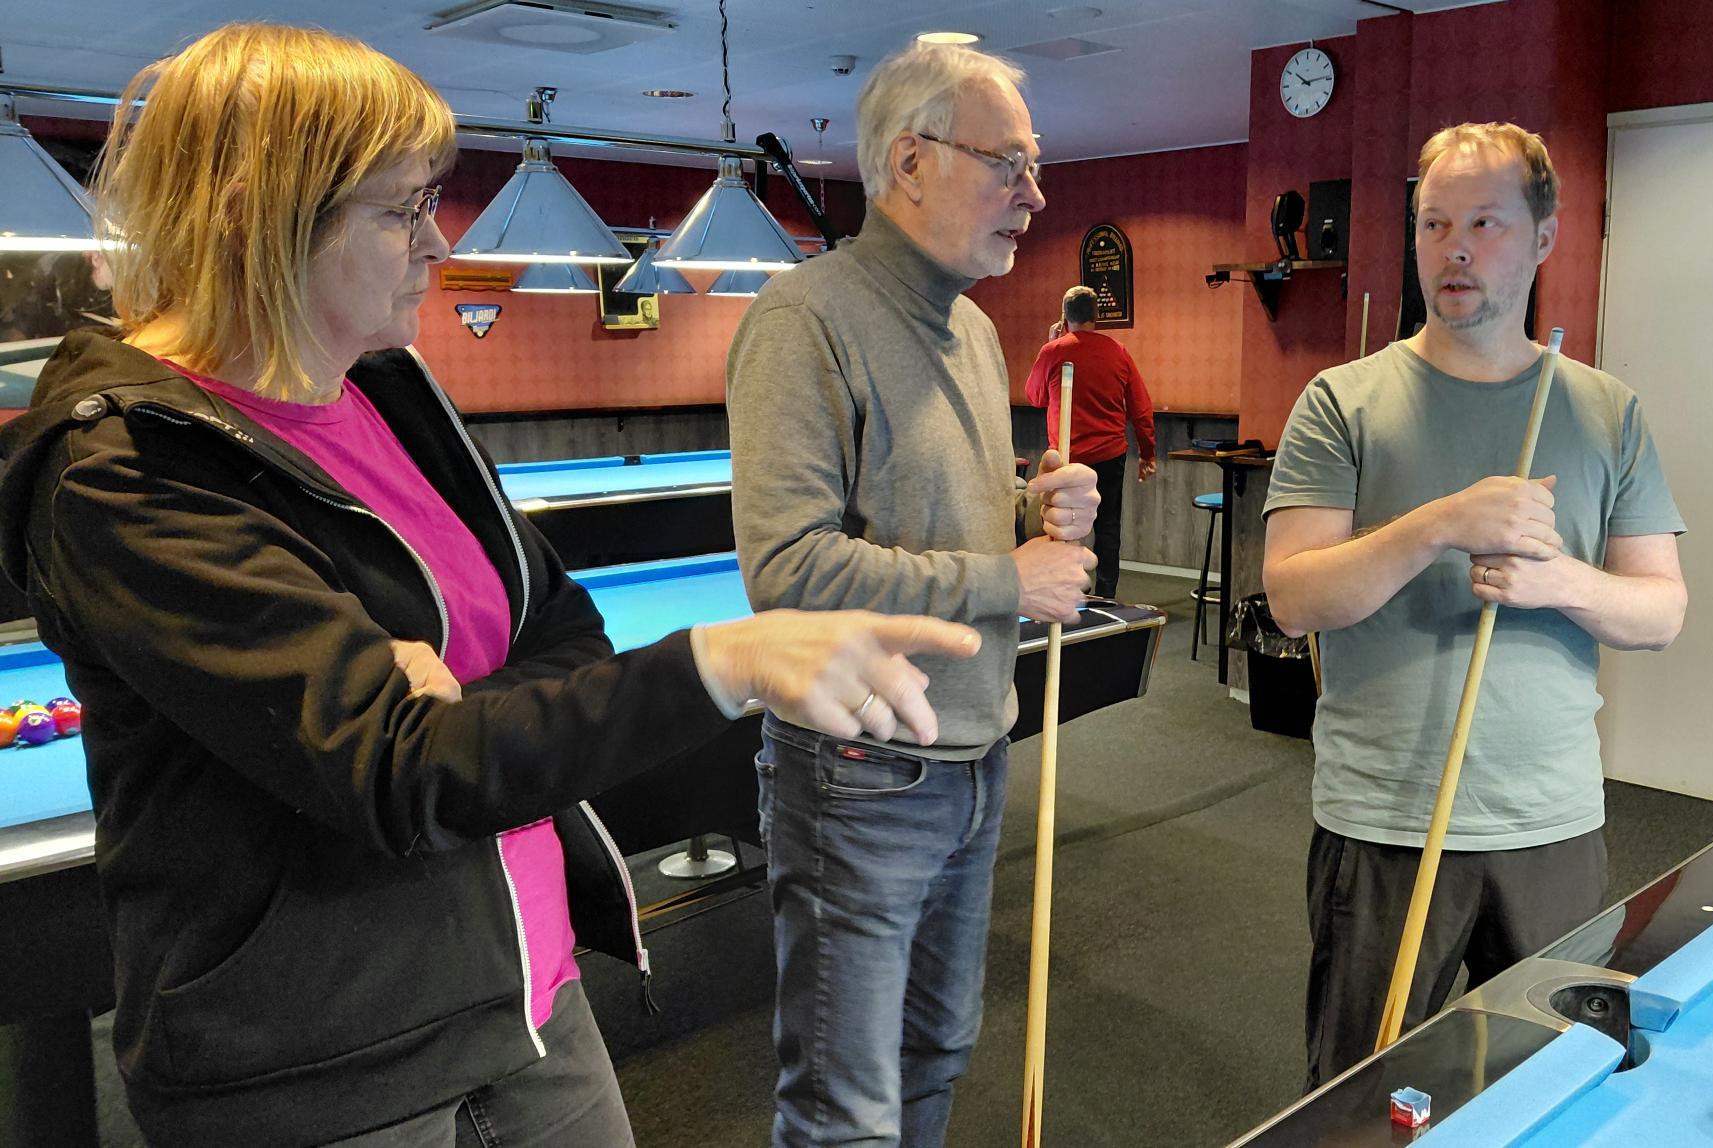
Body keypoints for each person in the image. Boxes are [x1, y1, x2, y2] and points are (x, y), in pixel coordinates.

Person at [0, 24, 979, 1146]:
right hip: (320, 1071)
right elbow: (403, 770)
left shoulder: (393, 394)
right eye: (401, 208)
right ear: (256, 218)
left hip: (529, 991)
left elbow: (564, 627)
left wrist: (450, 706)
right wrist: (723, 659)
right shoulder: (124, 467)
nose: (437, 242)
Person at [725, 42, 1100, 1148]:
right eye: (1009, 163)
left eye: (1036, 164)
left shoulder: (974, 327)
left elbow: (943, 520)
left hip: (975, 754)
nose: (1035, 194)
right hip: (858, 773)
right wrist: (1008, 576)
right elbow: (787, 567)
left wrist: (1036, 507)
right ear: (910, 161)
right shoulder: (804, 318)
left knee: (936, 1053)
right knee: (845, 1104)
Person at [1260, 122, 1688, 1087]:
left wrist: (1558, 580)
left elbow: (1660, 613)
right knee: (1364, 1104)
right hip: (1385, 821)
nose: (1454, 248)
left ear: (1544, 238)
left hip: (1550, 821)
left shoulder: (1605, 410)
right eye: (1434, 224)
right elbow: (1292, 598)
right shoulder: (1341, 400)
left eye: (1485, 223)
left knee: (1554, 1090)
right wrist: (1440, 524)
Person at [1023, 285, 1157, 598]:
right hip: (1110, 454)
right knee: (1108, 526)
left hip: (1067, 457)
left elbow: (1035, 397)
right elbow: (1141, 408)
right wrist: (1148, 453)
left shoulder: (1054, 351)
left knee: (1064, 526)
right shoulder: (1118, 351)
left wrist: (1050, 343)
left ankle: (1067, 592)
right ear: (1096, 316)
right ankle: (1107, 596)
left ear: (1064, 316)